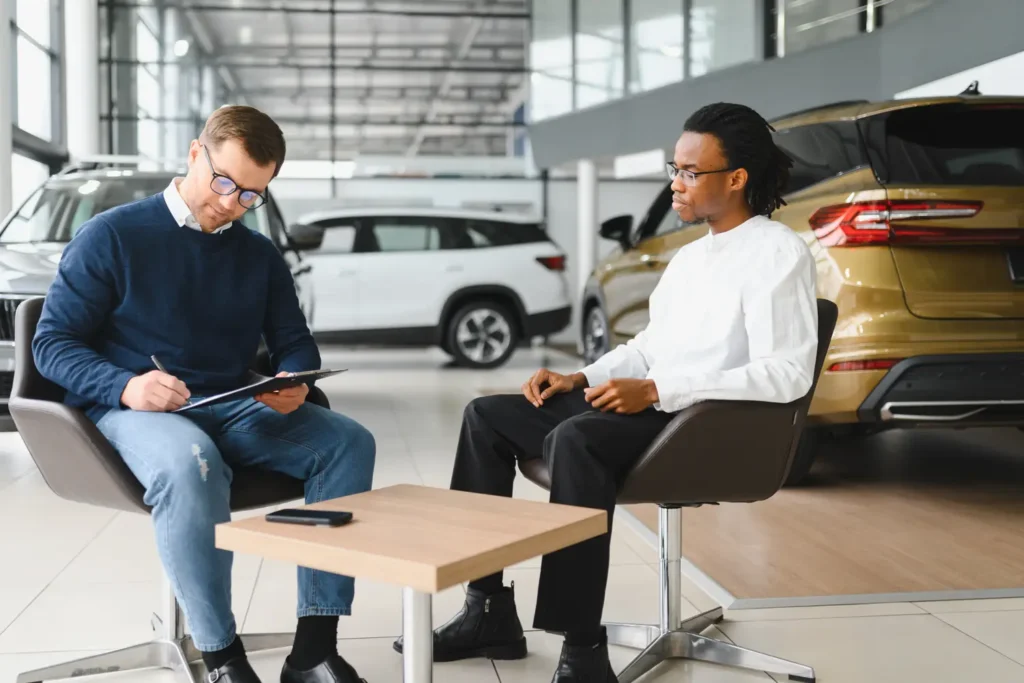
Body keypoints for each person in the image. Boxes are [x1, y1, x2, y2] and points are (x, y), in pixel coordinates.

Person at [395, 102, 820, 682]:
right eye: (674, 167)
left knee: (576, 438)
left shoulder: (778, 253)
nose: (676, 182)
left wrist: (658, 389)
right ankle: (487, 609)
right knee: (488, 416)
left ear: (737, 178)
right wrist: (582, 377)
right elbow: (649, 344)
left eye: (690, 172)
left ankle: (583, 648)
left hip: (704, 423)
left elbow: (786, 373)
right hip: (655, 403)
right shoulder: (692, 256)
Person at [33, 106, 375, 683]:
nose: (231, 203)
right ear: (195, 153)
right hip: (135, 409)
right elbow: (52, 344)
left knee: (348, 443)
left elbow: (295, 342)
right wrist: (127, 385)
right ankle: (221, 657)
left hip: (233, 405)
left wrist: (294, 379)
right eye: (224, 183)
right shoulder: (112, 236)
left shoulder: (258, 255)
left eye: (251, 195)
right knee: (193, 464)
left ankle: (313, 649)